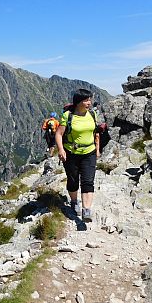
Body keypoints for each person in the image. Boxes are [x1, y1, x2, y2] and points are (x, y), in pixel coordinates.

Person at [55, 89, 100, 221]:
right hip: (71, 153)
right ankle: (74, 202)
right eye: (86, 100)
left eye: (90, 100)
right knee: (73, 180)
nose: (89, 103)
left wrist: (97, 149)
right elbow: (59, 134)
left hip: (89, 153)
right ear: (78, 102)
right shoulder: (68, 116)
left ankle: (86, 210)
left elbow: (96, 133)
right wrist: (61, 149)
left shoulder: (92, 114)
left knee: (88, 181)